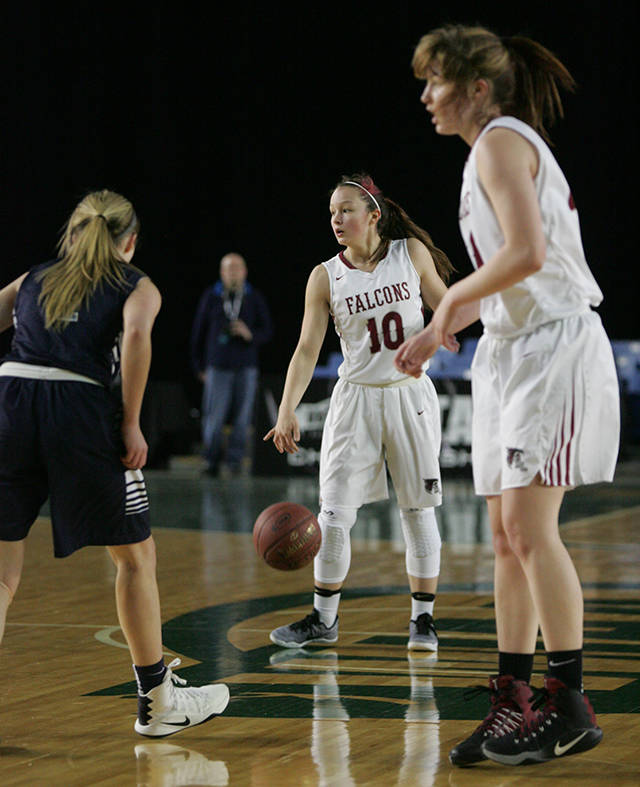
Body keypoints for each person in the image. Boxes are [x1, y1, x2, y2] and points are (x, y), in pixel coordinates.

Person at [395, 25, 619, 766]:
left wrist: (446, 307)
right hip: (510, 349)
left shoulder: (498, 142)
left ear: (478, 89)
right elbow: (503, 269)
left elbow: (530, 254)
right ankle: (514, 698)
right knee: (502, 536)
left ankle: (570, 701)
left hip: (552, 345)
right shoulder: (481, 157)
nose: (426, 96)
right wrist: (446, 320)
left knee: (528, 529)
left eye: (437, 82)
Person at [0, 189, 229, 736]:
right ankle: (158, 701)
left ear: (72, 233)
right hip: (76, 410)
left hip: (10, 400)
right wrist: (130, 422)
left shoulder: (35, 277)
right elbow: (135, 338)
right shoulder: (136, 284)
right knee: (134, 556)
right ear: (129, 242)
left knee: (3, 575)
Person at [265, 173, 454, 652]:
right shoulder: (324, 276)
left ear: (374, 215)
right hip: (355, 399)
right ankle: (323, 619)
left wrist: (442, 331)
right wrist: (287, 408)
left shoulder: (409, 252)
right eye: (331, 212)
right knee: (333, 514)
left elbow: (447, 304)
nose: (336, 219)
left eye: (345, 209)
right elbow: (307, 349)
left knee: (417, 509)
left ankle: (423, 620)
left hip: (408, 393)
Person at [190, 252, 273, 476]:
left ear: (244, 272)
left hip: (246, 367)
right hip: (217, 367)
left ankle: (235, 461)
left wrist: (250, 334)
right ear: (222, 273)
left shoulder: (253, 296)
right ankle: (211, 460)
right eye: (229, 269)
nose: (233, 273)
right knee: (214, 416)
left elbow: (267, 331)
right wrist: (198, 366)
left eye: (237, 268)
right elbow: (198, 332)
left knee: (242, 417)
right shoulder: (212, 296)